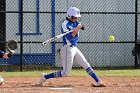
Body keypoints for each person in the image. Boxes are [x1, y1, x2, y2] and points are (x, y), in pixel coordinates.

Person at [38, 7, 106, 87]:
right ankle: (45, 77)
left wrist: (80, 26)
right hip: (67, 49)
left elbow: (82, 27)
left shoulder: (75, 21)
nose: (76, 18)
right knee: (65, 73)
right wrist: (76, 29)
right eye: (75, 17)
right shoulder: (65, 24)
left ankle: (98, 81)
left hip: (74, 47)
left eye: (77, 17)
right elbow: (70, 37)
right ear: (70, 16)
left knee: (85, 64)